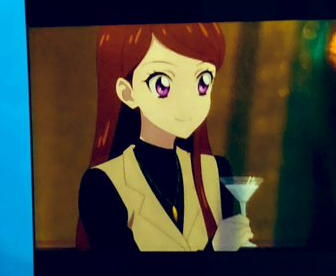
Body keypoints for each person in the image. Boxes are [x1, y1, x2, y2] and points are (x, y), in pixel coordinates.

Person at [77, 22, 253, 251]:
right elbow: (121, 271)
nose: (186, 102)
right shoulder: (102, 184)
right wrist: (217, 246)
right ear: (127, 92)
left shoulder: (215, 171)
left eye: (203, 82)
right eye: (162, 84)